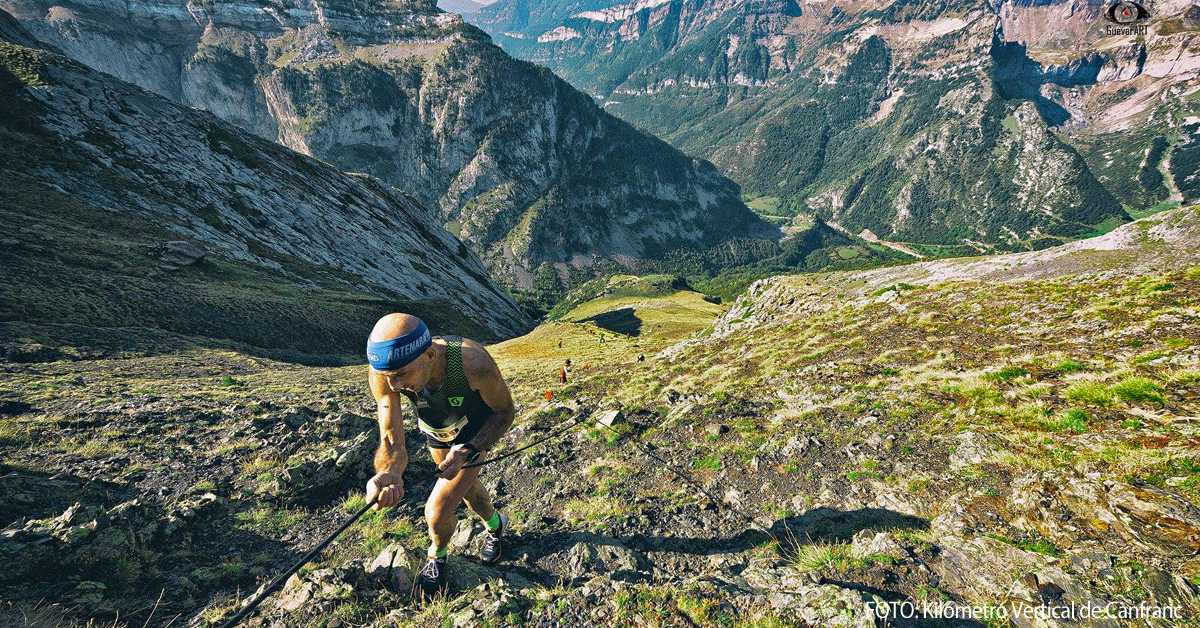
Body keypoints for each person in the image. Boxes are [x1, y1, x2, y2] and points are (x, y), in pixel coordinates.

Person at [364, 313, 516, 599]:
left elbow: (505, 413)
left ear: (430, 355)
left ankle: (437, 555)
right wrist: (389, 471)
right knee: (467, 491)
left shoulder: (474, 364)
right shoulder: (385, 372)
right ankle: (496, 525)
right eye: (388, 377)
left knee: (437, 511)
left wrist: (470, 448)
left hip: (473, 433)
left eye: (401, 376)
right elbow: (391, 437)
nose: (394, 385)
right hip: (436, 431)